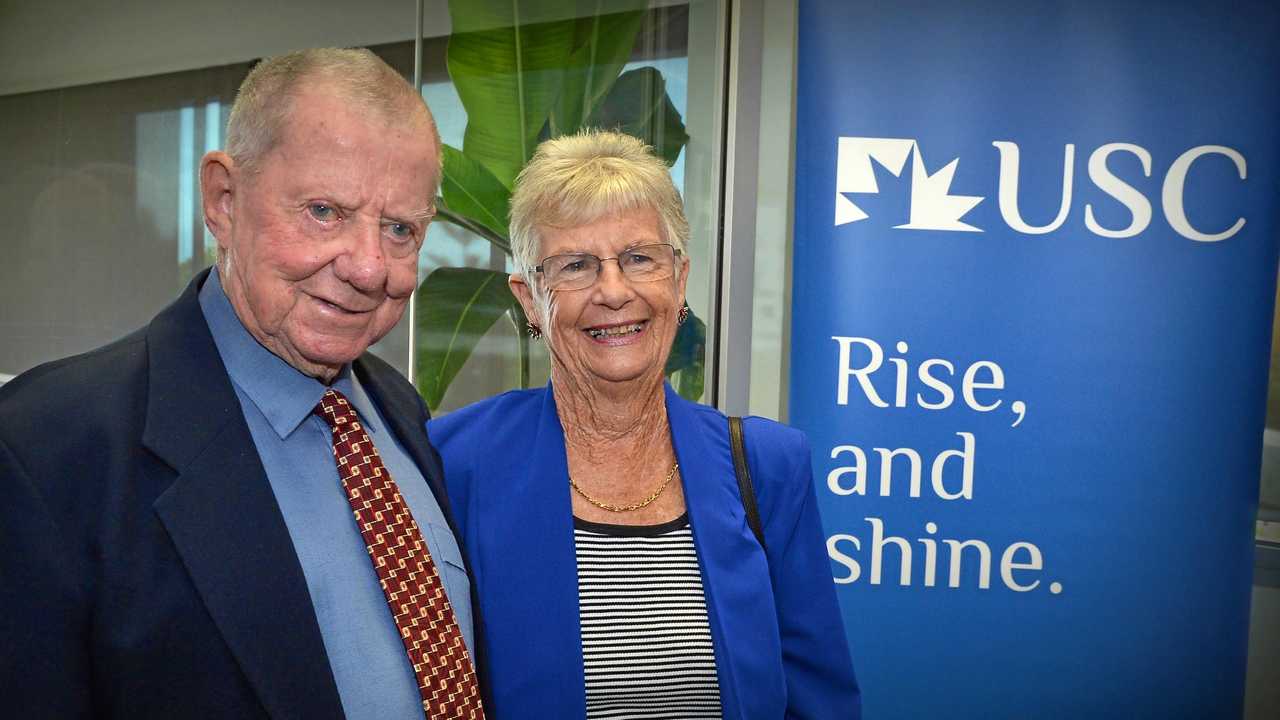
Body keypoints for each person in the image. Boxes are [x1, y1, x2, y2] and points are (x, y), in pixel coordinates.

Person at [0, 48, 485, 719]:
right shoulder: (43, 451)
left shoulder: (400, 412)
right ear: (223, 201)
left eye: (400, 228)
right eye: (324, 211)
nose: (369, 267)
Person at [428, 130, 860, 719]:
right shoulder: (451, 464)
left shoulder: (766, 464)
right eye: (576, 266)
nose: (613, 291)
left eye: (639, 258)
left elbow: (819, 702)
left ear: (679, 280)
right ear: (529, 299)